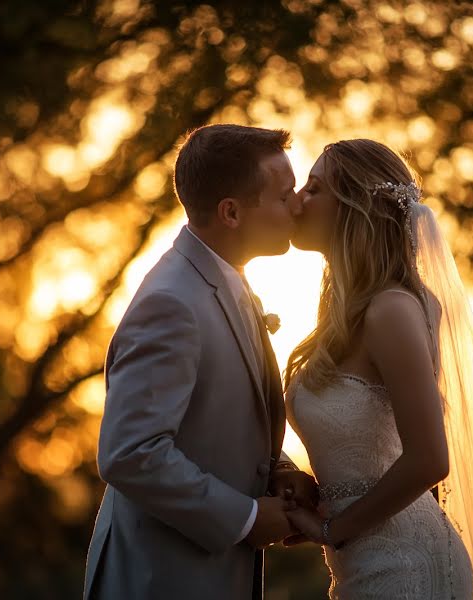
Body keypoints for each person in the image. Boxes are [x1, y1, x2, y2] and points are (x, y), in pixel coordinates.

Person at [282, 139, 473, 599]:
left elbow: (429, 459)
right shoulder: (347, 312)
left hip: (406, 566)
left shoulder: (390, 309)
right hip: (362, 562)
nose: (295, 200)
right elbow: (367, 451)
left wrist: (333, 528)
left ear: (353, 207)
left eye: (313, 189)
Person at [83, 124, 318, 600]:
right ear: (231, 212)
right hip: (161, 580)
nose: (296, 206)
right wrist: (247, 518)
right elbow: (130, 453)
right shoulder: (171, 303)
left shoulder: (223, 280)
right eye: (283, 194)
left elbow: (213, 422)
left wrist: (279, 471)